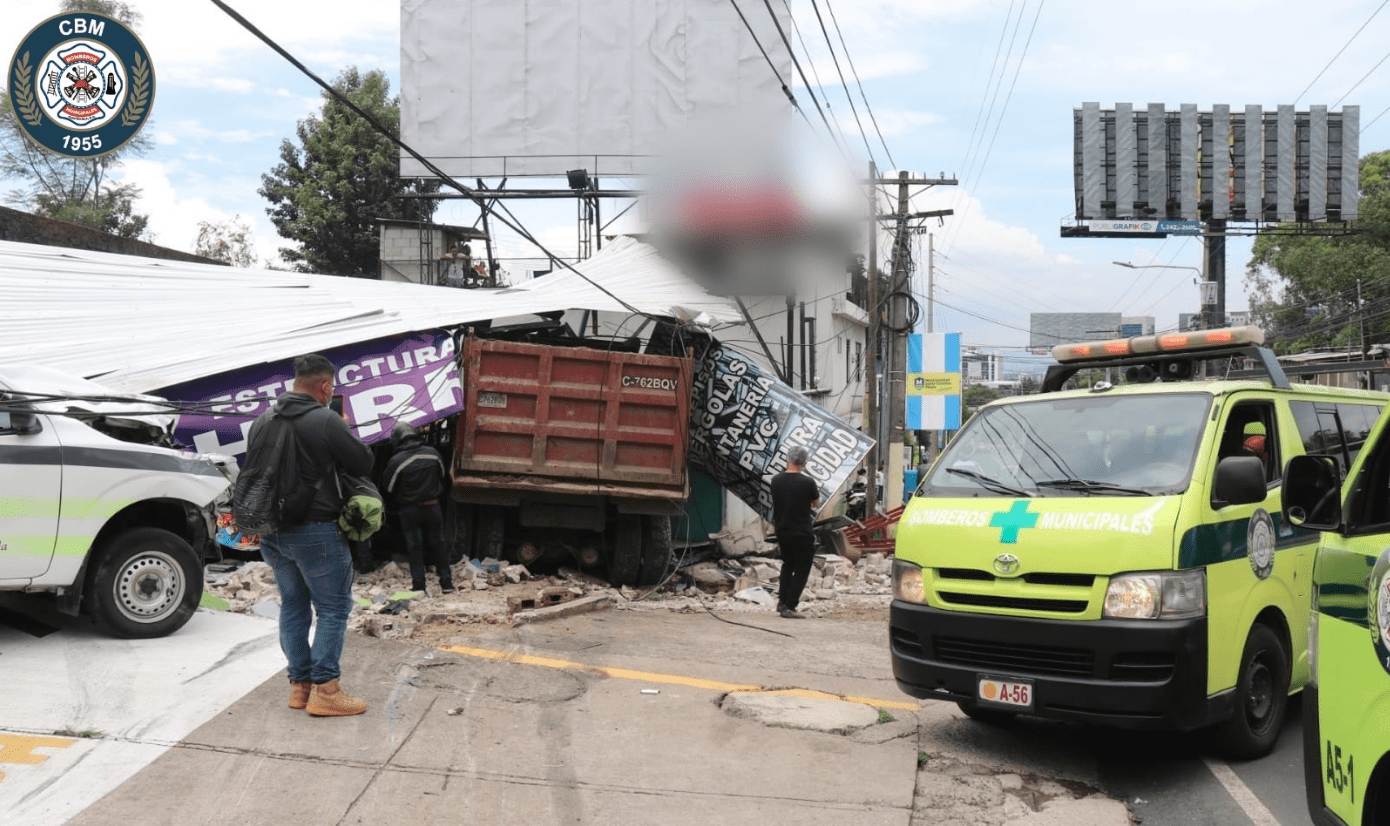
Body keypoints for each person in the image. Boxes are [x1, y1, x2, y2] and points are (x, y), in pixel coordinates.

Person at [249, 354, 374, 717]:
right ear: (325, 387)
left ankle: (299, 687)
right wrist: (344, 427)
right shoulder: (326, 420)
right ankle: (327, 690)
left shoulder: (262, 421)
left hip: (274, 533)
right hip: (317, 531)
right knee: (334, 609)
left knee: (293, 605)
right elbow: (363, 463)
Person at [383, 421, 455, 594]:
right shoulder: (433, 454)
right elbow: (443, 476)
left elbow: (388, 487)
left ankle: (419, 586)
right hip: (433, 507)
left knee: (414, 547)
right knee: (439, 544)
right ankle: (447, 584)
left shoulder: (397, 461)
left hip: (410, 511)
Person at [771, 445, 822, 619]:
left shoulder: (776, 480)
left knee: (788, 565)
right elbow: (816, 503)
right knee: (802, 568)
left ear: (788, 460)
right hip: (801, 531)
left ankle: (781, 602)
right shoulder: (808, 482)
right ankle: (790, 606)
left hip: (782, 530)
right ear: (804, 463)